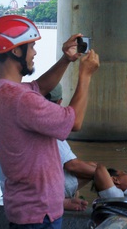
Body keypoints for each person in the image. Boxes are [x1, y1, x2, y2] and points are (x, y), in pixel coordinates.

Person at [0, 15, 100, 228]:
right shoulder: (21, 99)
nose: (35, 53)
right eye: (32, 47)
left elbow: (39, 88)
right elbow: (74, 122)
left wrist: (66, 59)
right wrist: (85, 76)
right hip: (39, 215)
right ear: (16, 51)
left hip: (28, 208)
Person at [46, 84, 97, 212]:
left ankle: (69, 198)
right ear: (60, 102)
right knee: (91, 170)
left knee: (90, 167)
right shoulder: (48, 127)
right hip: (42, 193)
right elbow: (73, 166)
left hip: (20, 189)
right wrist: (105, 176)